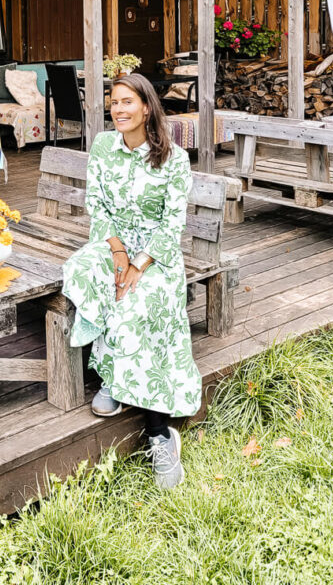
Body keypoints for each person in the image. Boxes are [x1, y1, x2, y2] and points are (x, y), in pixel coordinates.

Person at [62, 72, 201, 489]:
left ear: (146, 107)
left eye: (127, 102)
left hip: (156, 255)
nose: (118, 109)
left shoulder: (173, 158)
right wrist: (119, 255)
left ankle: (160, 433)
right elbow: (96, 204)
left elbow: (171, 222)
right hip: (112, 244)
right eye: (114, 101)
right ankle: (114, 374)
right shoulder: (103, 147)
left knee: (140, 301)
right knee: (81, 273)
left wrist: (138, 266)